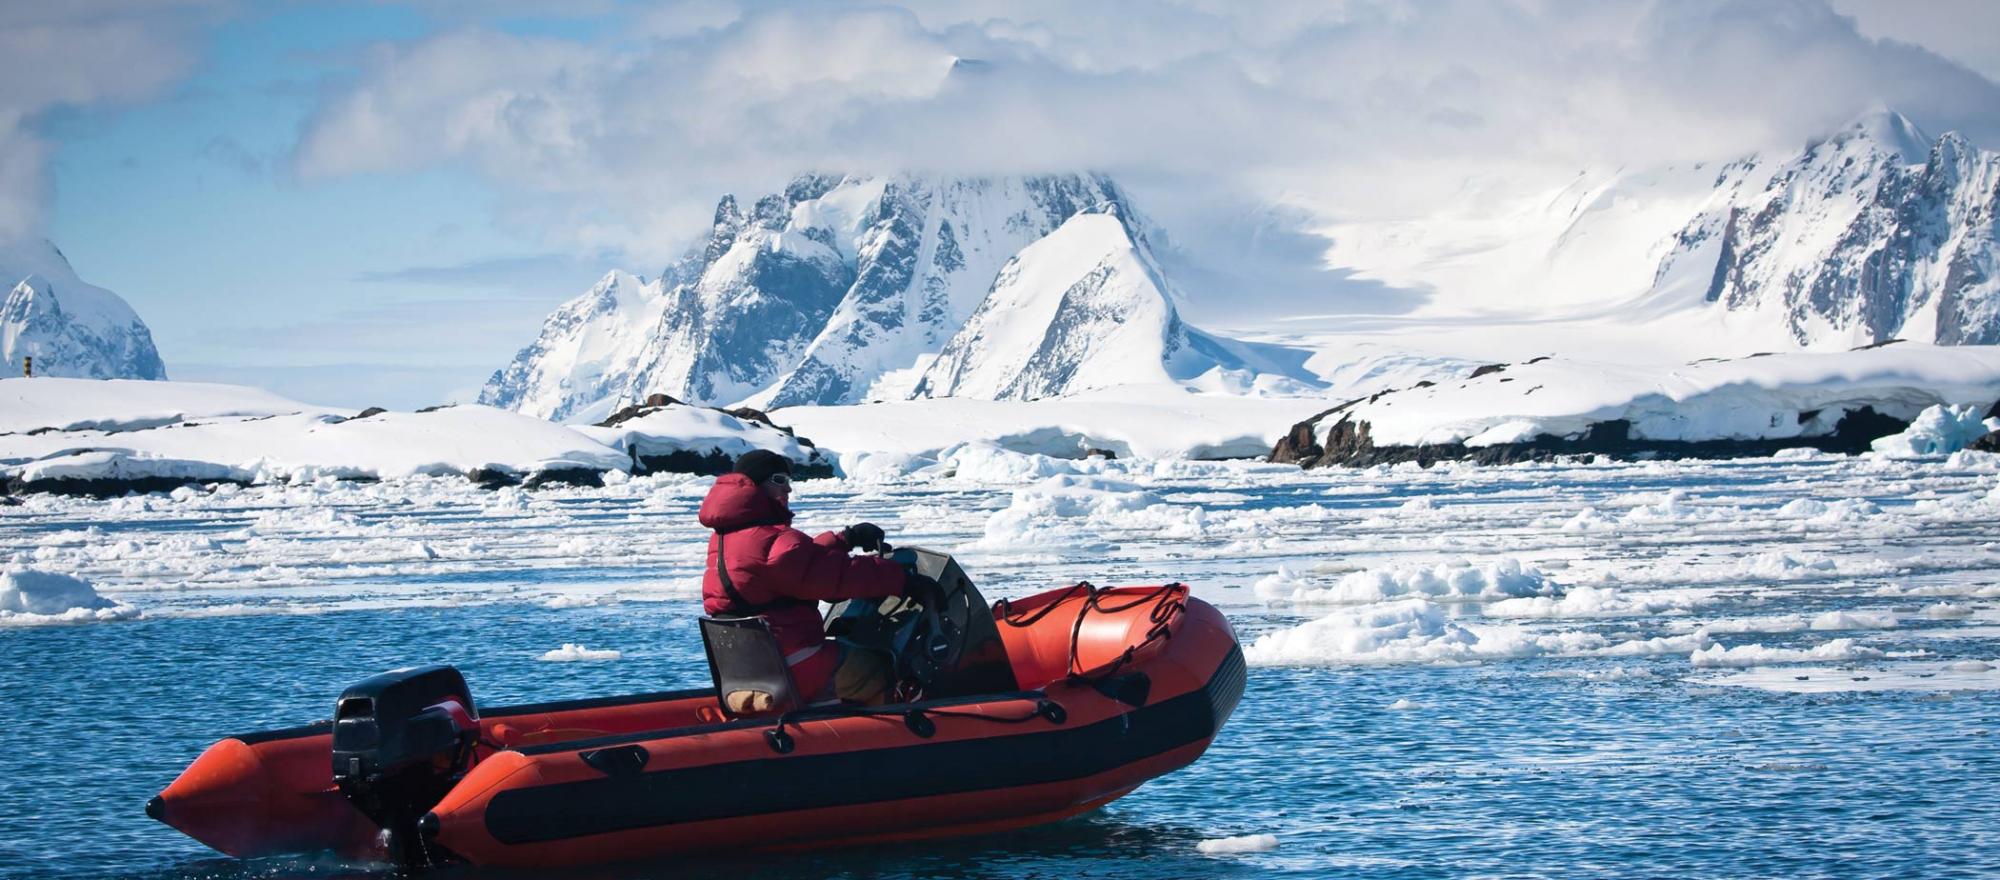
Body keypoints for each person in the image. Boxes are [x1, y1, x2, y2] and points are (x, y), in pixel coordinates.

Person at [698, 449, 922, 708]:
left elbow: (796, 565)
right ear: (755, 485)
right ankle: (889, 738)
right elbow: (833, 576)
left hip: (751, 668)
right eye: (779, 480)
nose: (788, 489)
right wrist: (900, 578)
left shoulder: (728, 537)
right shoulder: (771, 538)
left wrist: (843, 539)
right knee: (879, 667)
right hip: (793, 664)